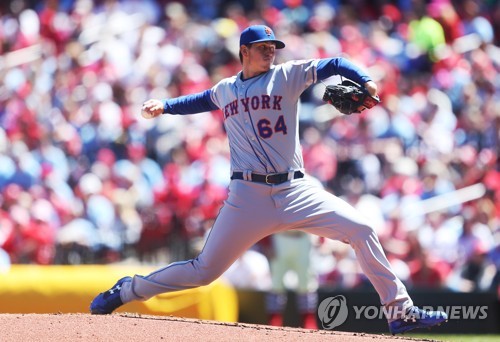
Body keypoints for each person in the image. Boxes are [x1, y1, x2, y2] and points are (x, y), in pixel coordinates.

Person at [90, 25, 447, 335]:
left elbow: (335, 64)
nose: (270, 53)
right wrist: (165, 106)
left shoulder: (287, 75)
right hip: (248, 196)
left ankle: (400, 311)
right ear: (243, 51)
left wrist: (364, 80)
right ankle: (127, 291)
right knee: (203, 272)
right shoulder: (226, 88)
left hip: (295, 190)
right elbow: (199, 100)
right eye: (263, 48)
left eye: (273, 48)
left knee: (362, 229)